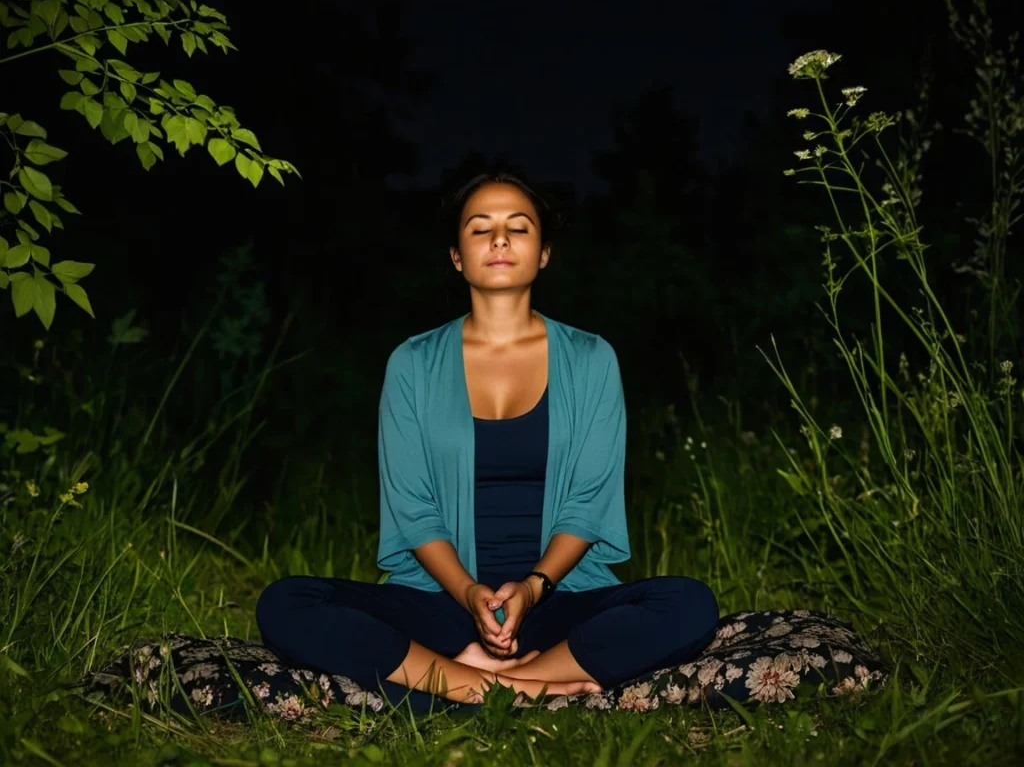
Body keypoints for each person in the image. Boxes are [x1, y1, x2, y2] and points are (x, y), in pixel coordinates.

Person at [255, 171, 720, 708]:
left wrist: (530, 588)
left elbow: (587, 505)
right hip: (443, 604)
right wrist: (469, 595)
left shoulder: (592, 359)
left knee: (688, 604)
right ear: (457, 256)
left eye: (518, 228)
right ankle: (497, 688)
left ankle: (458, 682)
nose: (499, 239)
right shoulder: (413, 363)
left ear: (543, 253)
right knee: (286, 603)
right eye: (481, 229)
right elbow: (414, 507)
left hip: (556, 602)